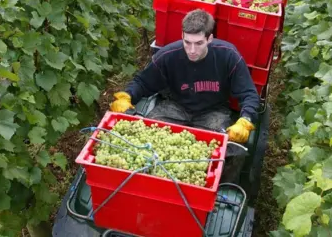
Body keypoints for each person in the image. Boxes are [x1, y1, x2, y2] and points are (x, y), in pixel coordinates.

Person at [110, 9, 260, 144]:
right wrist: (126, 96)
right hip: (176, 107)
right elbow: (142, 82)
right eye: (187, 42)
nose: (192, 50)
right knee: (146, 138)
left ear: (210, 39)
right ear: (182, 35)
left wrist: (245, 120)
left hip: (213, 111)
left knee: (228, 150)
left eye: (199, 43)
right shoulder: (169, 55)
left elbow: (249, 93)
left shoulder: (228, 56)